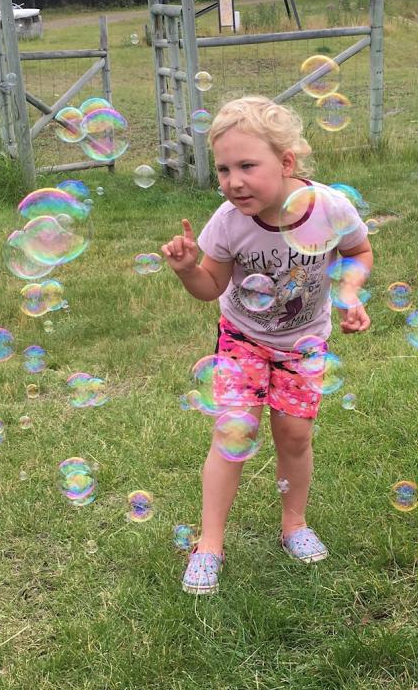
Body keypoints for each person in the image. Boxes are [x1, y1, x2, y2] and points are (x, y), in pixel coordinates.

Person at [162, 95, 373, 594]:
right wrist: (190, 269)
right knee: (233, 436)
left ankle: (294, 525)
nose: (234, 181)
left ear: (285, 162)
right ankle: (209, 544)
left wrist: (348, 292)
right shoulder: (228, 221)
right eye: (223, 168)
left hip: (304, 344)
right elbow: (210, 287)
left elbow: (358, 250)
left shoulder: (328, 208)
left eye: (247, 166)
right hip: (243, 338)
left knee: (295, 436)